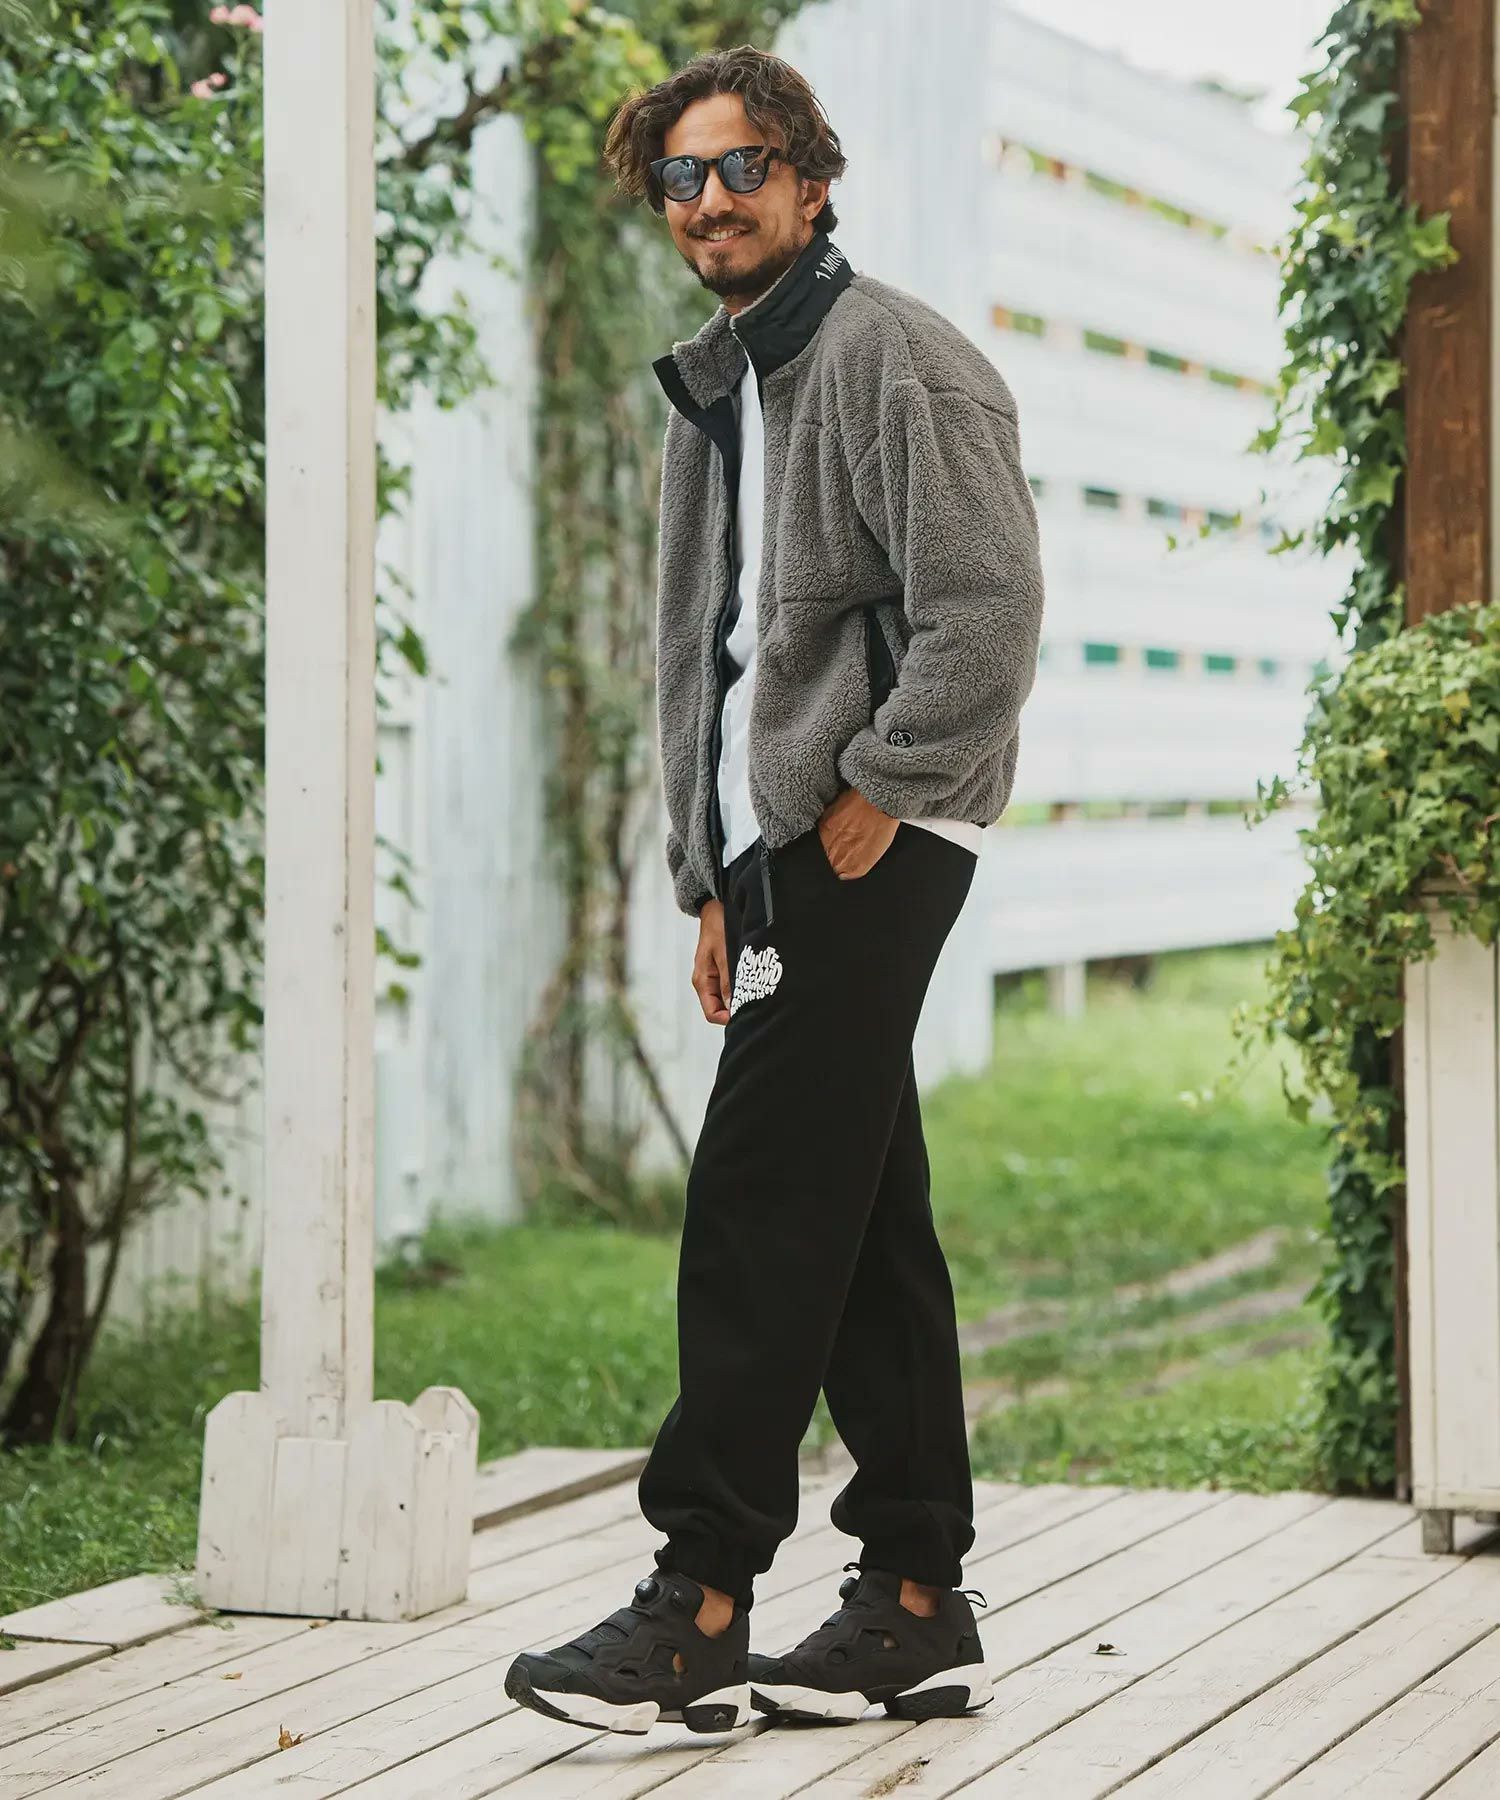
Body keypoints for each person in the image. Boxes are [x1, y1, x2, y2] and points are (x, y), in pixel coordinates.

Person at [505, 43, 1045, 1738]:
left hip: (874, 833)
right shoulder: (722, 384)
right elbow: (719, 658)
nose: (711, 199)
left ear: (811, 181)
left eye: (743, 166)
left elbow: (988, 611)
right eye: (682, 176)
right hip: (782, 852)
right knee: (859, 1205)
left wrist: (880, 788)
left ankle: (701, 1600)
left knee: (758, 1198)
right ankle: (911, 1599)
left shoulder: (898, 361)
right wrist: (714, 876)